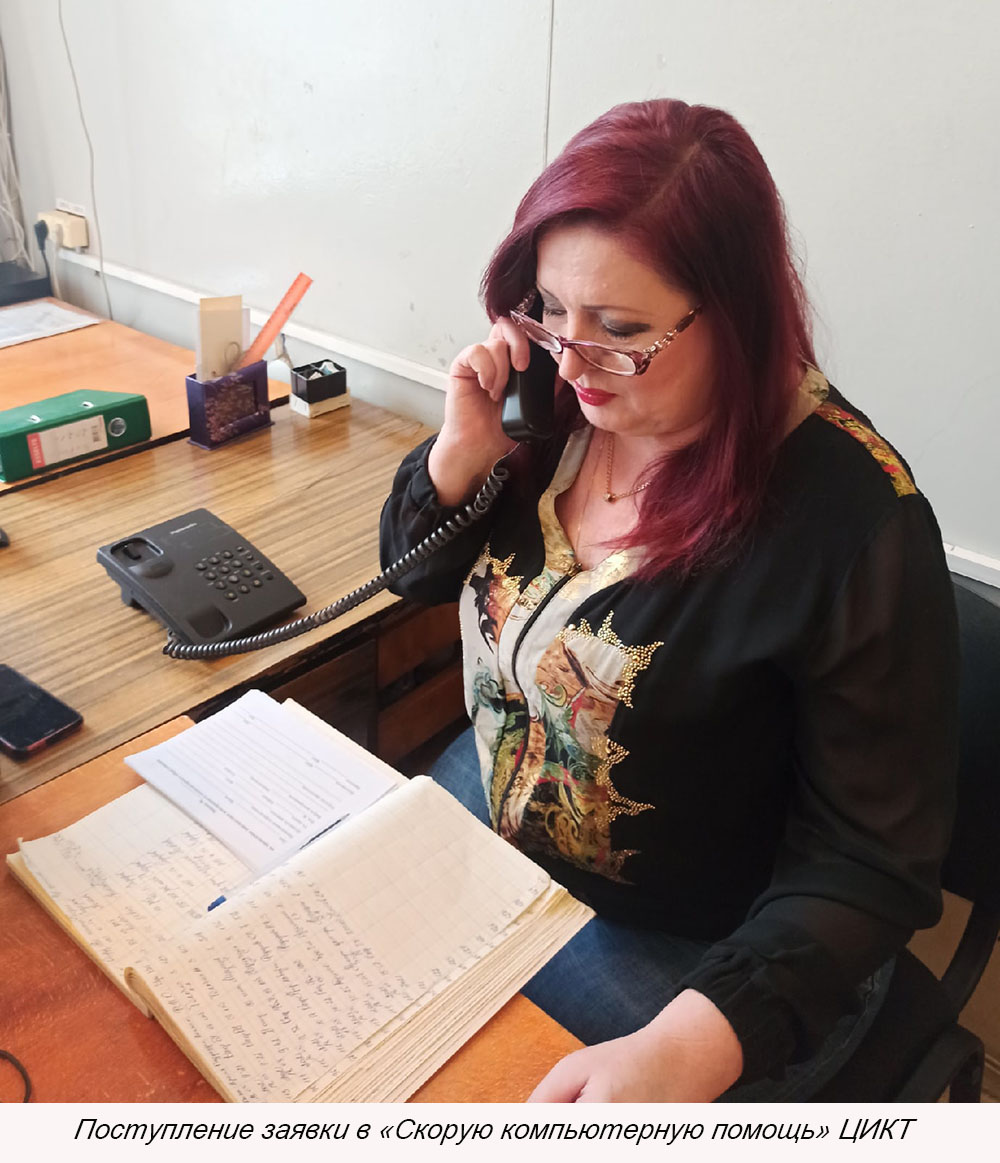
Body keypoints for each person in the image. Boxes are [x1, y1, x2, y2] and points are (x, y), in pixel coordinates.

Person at [379, 99, 958, 1102]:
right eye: (547, 310)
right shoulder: (550, 413)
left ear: (735, 317)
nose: (570, 360)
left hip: (714, 951)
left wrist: (694, 1045)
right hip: (501, 829)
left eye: (621, 330)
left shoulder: (854, 519)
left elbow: (869, 862)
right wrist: (459, 458)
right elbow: (412, 574)